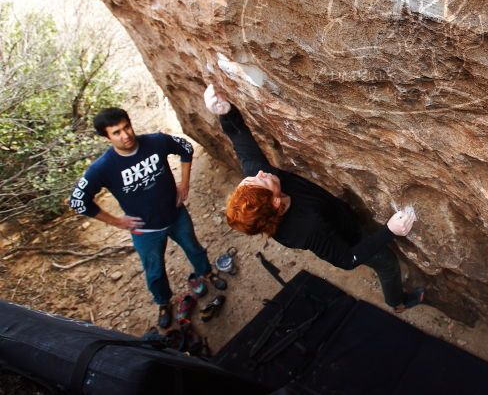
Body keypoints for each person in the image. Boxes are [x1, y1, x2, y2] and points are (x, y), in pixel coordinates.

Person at [204, 85, 424, 312]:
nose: (260, 173)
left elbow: (242, 143)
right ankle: (397, 302)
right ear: (276, 203)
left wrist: (225, 112)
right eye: (262, 180)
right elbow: (347, 259)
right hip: (349, 236)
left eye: (252, 179)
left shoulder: (261, 183)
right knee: (386, 263)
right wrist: (390, 231)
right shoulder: (307, 229)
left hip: (334, 212)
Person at [68, 107, 225, 328]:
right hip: (146, 231)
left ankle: (206, 273)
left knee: (194, 248)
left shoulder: (156, 141)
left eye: (126, 127)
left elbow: (186, 148)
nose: (125, 135)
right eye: (116, 132)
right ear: (107, 136)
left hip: (176, 214)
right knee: (155, 271)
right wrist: (117, 221)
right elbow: (77, 201)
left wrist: (185, 183)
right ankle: (163, 303)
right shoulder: (102, 168)